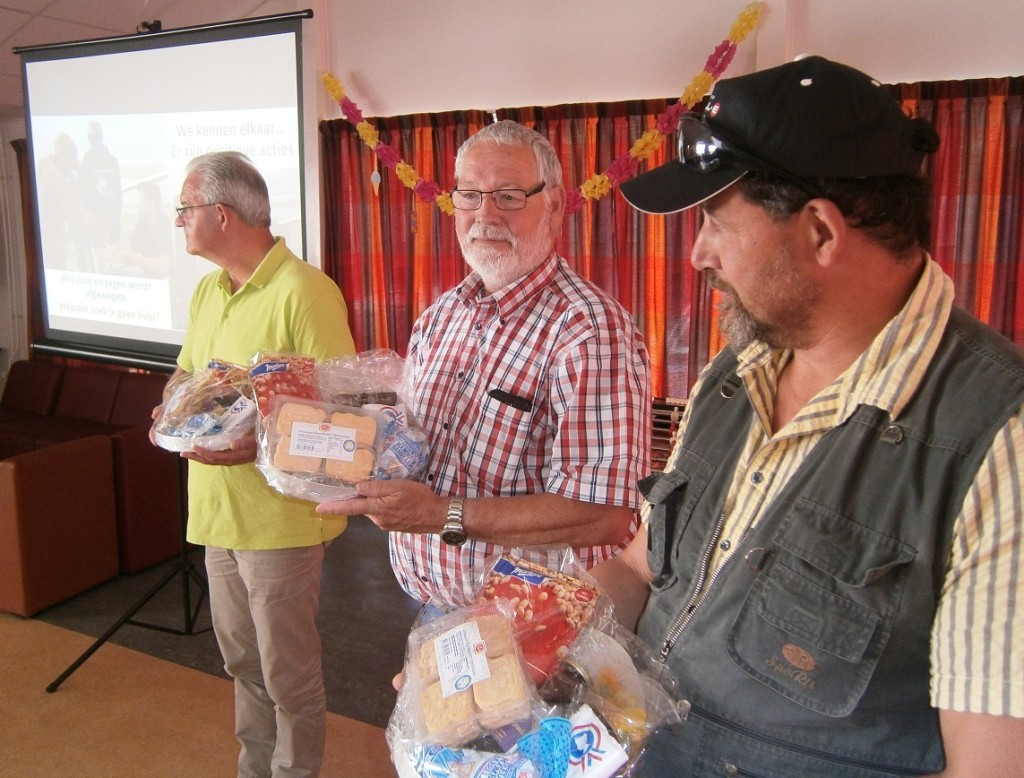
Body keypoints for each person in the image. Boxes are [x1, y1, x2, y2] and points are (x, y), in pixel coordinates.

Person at [592, 56, 1024, 777]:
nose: (699, 254)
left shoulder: (995, 440)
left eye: (716, 224)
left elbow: (990, 768)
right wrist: (532, 637)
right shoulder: (735, 374)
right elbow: (643, 568)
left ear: (821, 233)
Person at [318, 120, 652, 606]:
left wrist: (441, 515)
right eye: (469, 195)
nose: (485, 215)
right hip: (432, 602)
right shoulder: (441, 316)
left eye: (509, 196)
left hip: (535, 627)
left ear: (555, 205)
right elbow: (408, 444)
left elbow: (604, 514)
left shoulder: (590, 331)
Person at [151, 151, 355, 777]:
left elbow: (345, 418)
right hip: (217, 513)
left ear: (221, 213)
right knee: (241, 664)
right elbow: (189, 375)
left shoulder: (306, 292)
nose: (179, 220)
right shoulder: (208, 291)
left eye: (185, 209)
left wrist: (258, 446)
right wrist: (169, 410)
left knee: (287, 675)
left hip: (280, 522)